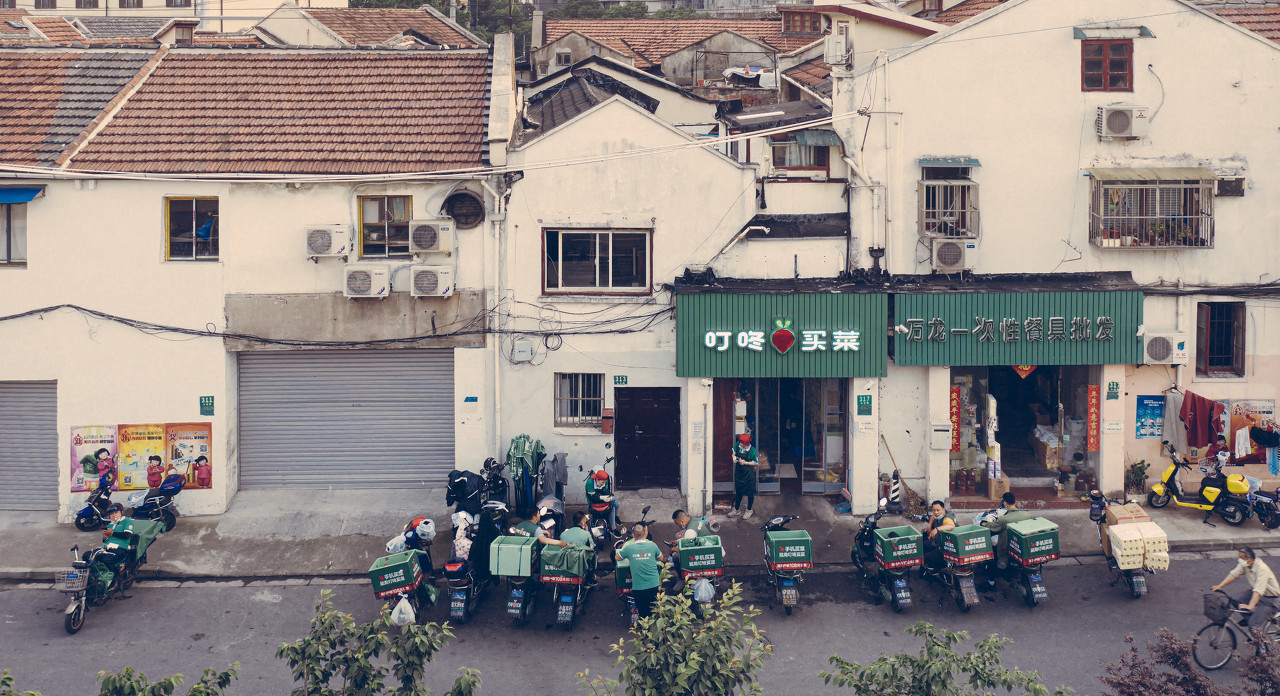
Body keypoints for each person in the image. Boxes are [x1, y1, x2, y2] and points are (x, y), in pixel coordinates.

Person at [1212, 547, 1280, 626]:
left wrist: (1250, 606)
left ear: (1250, 560)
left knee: (1253, 626)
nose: (1239, 560)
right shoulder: (1245, 564)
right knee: (1235, 600)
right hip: (1257, 594)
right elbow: (1233, 574)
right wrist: (1220, 586)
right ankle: (1250, 618)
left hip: (1270, 600)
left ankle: (1259, 635)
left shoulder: (1262, 569)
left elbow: (1258, 591)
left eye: (1241, 558)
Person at [616, 522, 663, 619]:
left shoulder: (629, 548)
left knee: (643, 614)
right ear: (645, 534)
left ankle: (644, 632)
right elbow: (661, 558)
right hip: (654, 585)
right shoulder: (653, 546)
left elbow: (617, 557)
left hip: (639, 588)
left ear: (633, 535)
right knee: (654, 612)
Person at [982, 492, 1033, 568]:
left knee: (992, 554)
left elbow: (992, 526)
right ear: (1015, 502)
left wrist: (983, 523)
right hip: (1023, 546)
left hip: (1007, 549)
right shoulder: (1027, 515)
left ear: (1005, 503)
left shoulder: (1004, 519)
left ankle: (991, 579)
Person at [561, 511, 597, 587]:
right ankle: (589, 580)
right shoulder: (586, 534)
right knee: (593, 554)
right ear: (582, 522)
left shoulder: (563, 533)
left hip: (565, 560)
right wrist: (587, 532)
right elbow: (592, 546)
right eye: (584, 520)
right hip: (579, 561)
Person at [727, 433, 758, 520]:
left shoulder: (752, 450)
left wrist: (745, 463)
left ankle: (749, 510)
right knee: (739, 491)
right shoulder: (738, 445)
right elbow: (734, 452)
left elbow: (755, 463)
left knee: (750, 492)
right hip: (739, 473)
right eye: (742, 445)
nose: (743, 447)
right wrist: (733, 457)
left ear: (747, 444)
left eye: (744, 446)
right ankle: (736, 509)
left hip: (749, 474)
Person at [921, 500, 955, 572]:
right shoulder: (938, 515)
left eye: (938, 510)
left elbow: (951, 526)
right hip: (939, 542)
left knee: (926, 557)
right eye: (934, 510)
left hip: (948, 549)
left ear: (943, 510)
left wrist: (937, 529)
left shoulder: (947, 519)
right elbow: (933, 516)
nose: (936, 512)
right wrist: (929, 526)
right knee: (924, 544)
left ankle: (937, 568)